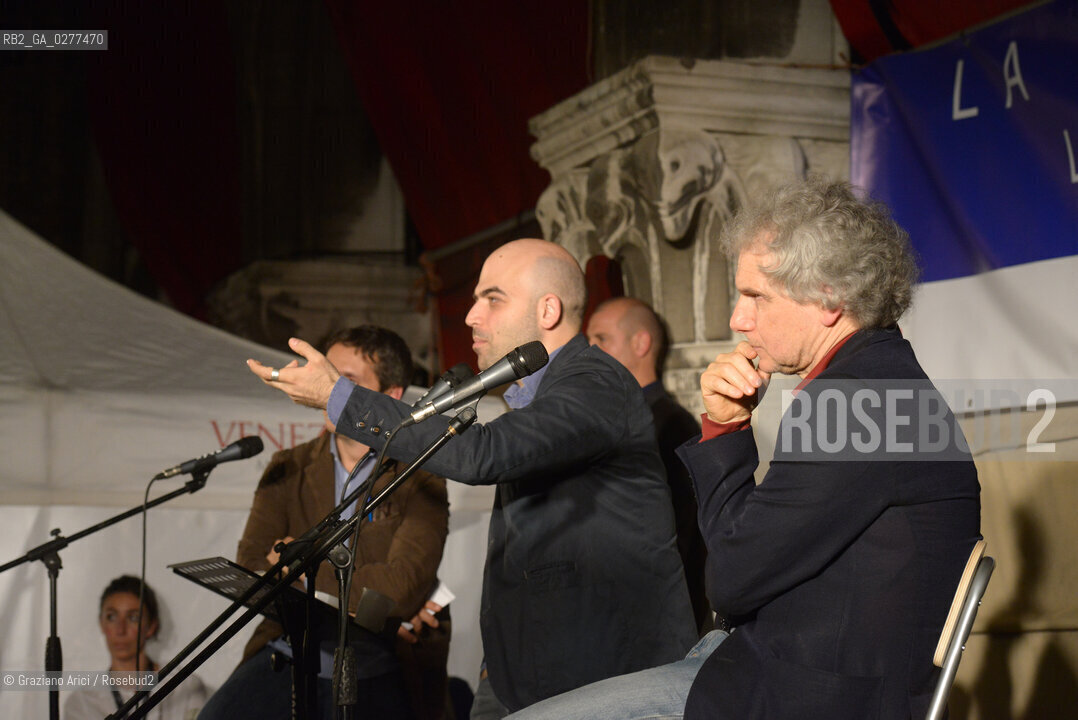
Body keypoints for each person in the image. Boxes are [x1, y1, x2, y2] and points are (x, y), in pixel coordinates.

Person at [501, 176, 982, 720]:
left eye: (755, 296)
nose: (738, 319)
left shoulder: (858, 405)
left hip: (792, 694)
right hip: (756, 662)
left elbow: (730, 580)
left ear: (827, 298)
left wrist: (726, 431)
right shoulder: (877, 383)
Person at [247, 239, 697, 718]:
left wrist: (339, 397)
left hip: (599, 671)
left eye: (493, 298)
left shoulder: (595, 383)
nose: (470, 316)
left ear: (548, 310)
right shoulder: (532, 396)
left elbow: (483, 454)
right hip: (520, 670)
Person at [200, 326, 450, 720]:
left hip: (381, 661)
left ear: (392, 396)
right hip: (287, 648)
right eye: (326, 375)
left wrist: (302, 570)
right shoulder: (288, 466)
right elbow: (252, 567)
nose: (327, 390)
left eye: (345, 382)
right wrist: (370, 605)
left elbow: (401, 591)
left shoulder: (422, 474)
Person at [586, 297, 712, 635]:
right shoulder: (618, 420)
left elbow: (678, 536)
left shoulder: (671, 426)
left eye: (601, 339)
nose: (589, 352)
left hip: (654, 626)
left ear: (641, 343)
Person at [63, 575, 207, 720]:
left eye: (133, 618)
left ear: (151, 626)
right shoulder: (82, 701)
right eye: (111, 617)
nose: (120, 630)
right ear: (101, 623)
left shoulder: (184, 686)